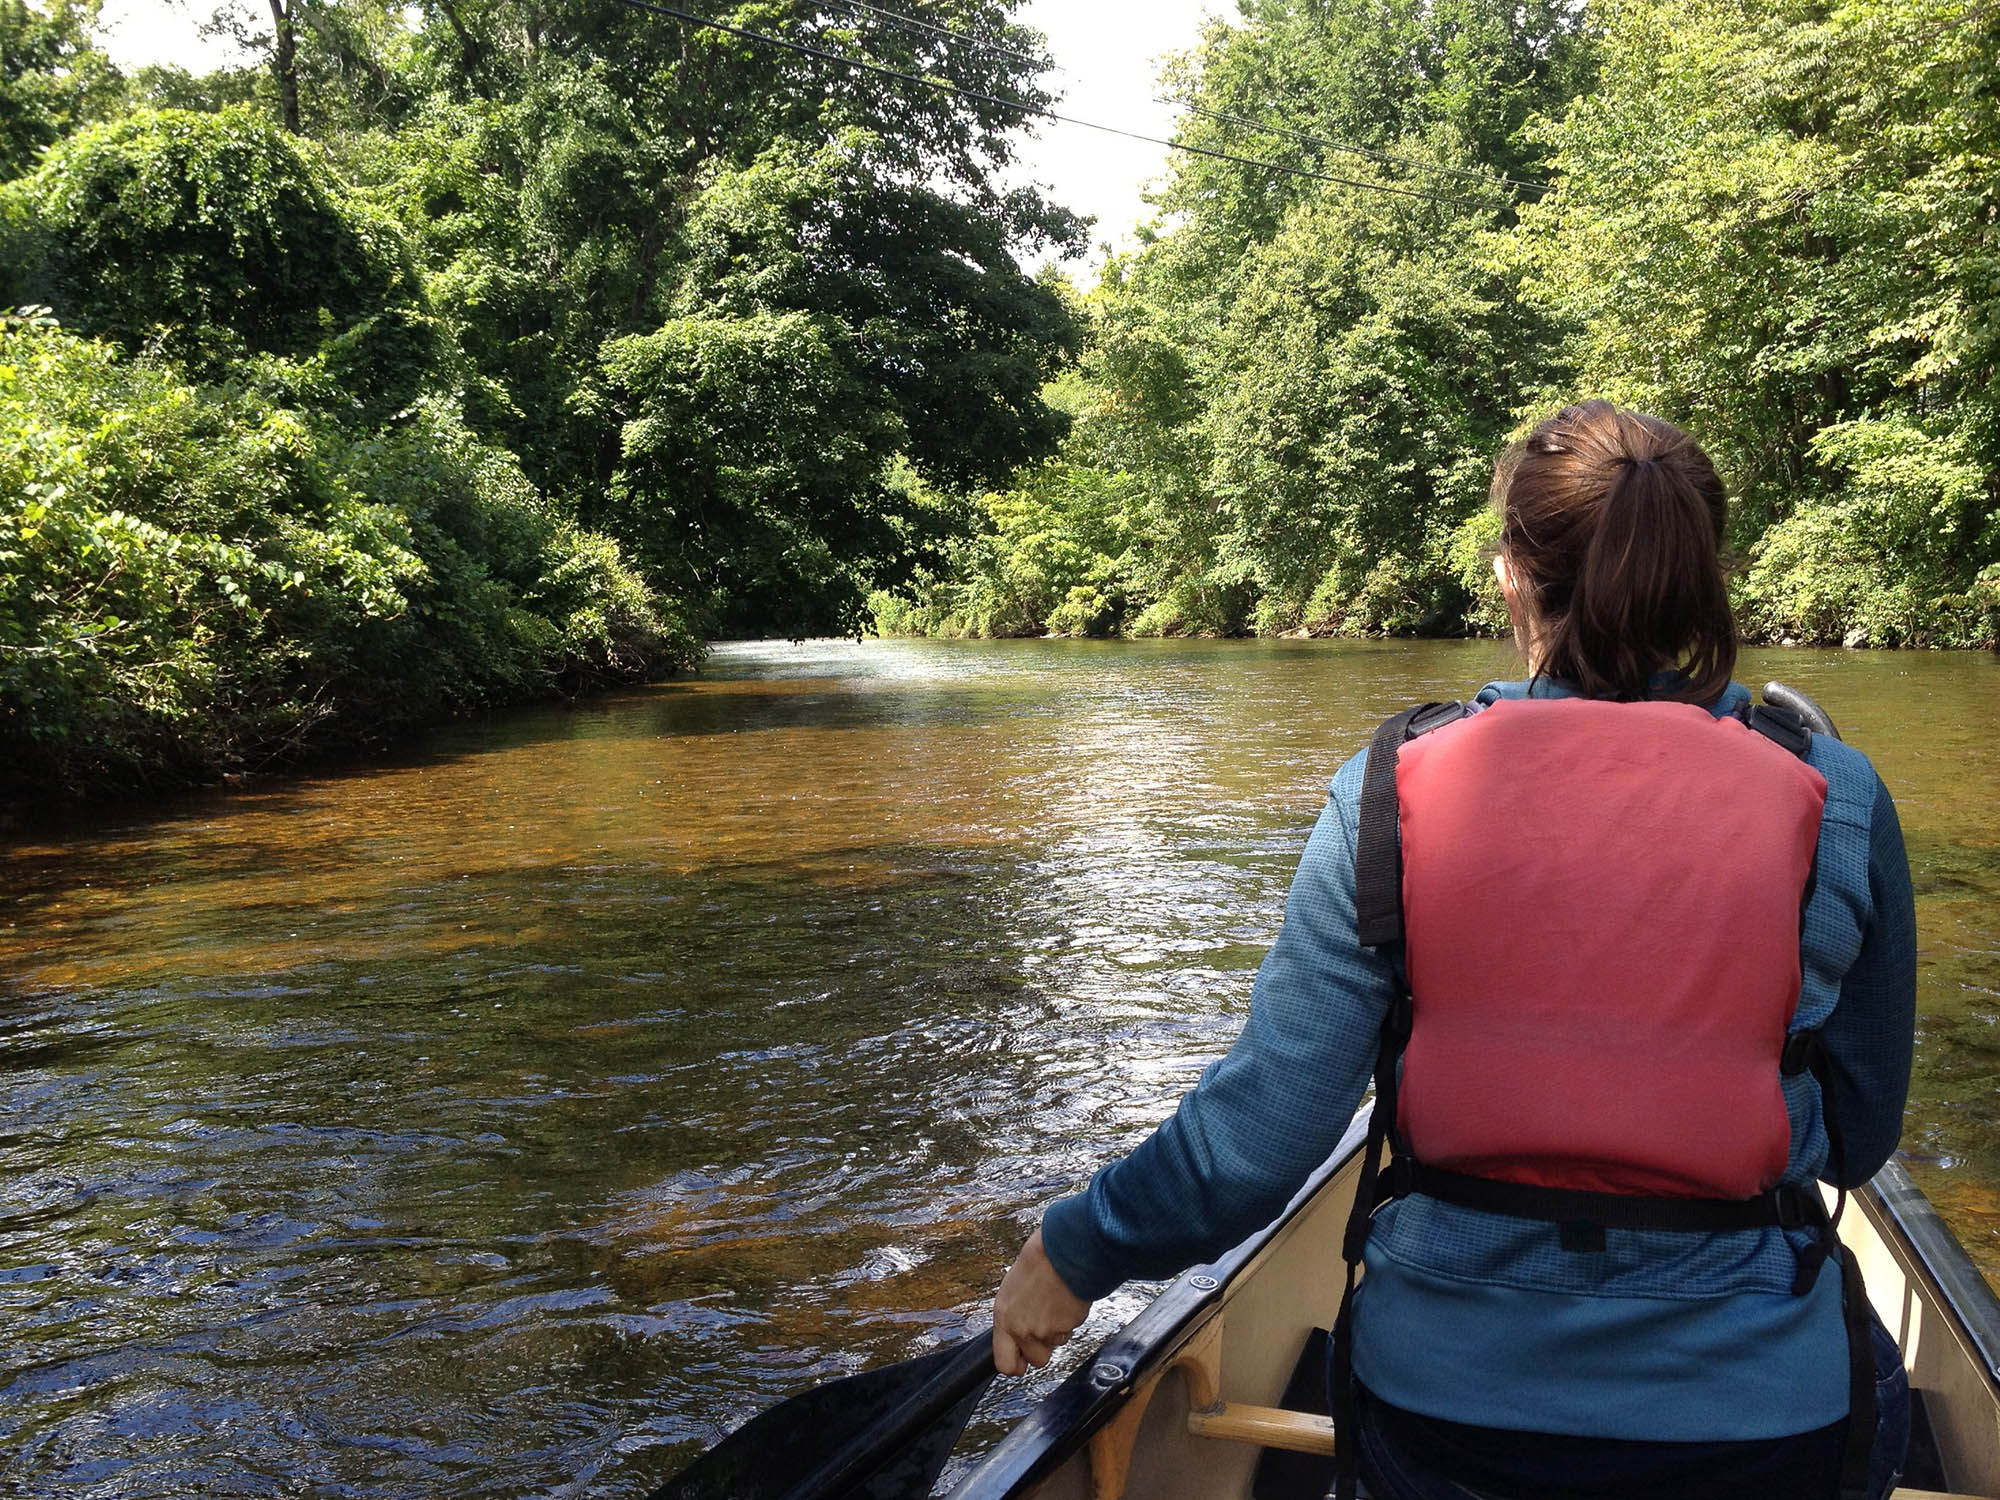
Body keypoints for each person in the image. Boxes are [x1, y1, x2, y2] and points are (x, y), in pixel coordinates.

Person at [988, 400, 1919, 1500]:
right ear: (1697, 574)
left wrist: (1077, 1250)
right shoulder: (1838, 797)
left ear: (1509, 575)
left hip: (1448, 1415)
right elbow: (1855, 1138)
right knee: (1880, 1399)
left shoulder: (1389, 787)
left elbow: (1257, 1143)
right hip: (1757, 1419)